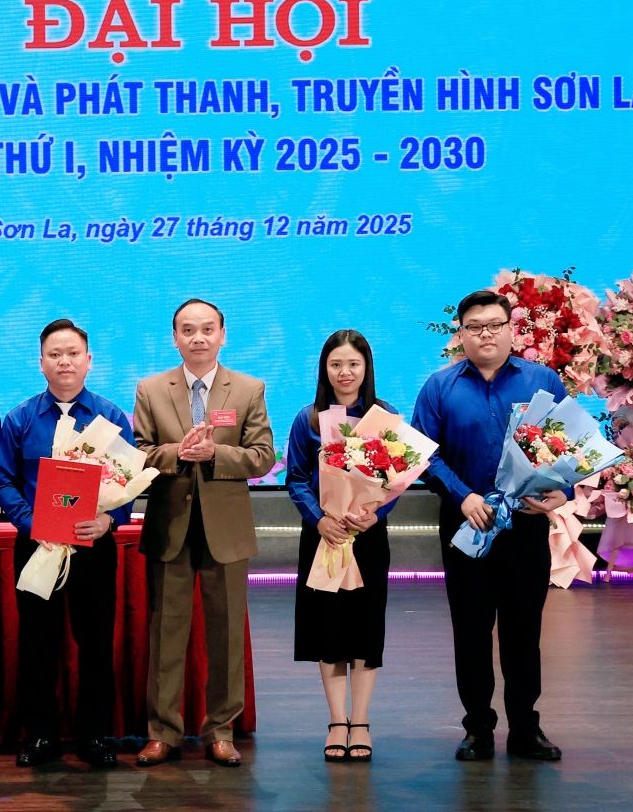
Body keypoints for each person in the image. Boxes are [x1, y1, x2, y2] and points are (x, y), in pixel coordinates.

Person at [411, 290, 570, 762]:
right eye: (475, 327)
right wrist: (464, 496)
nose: (486, 334)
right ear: (460, 334)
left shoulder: (542, 381)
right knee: (471, 630)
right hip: (467, 525)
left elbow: (570, 445)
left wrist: (565, 490)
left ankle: (525, 728)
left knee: (524, 631)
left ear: (511, 329)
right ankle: (478, 727)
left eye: (495, 325)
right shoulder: (439, 387)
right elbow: (424, 455)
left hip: (525, 524)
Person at [132, 298, 275, 767]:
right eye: (188, 330)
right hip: (170, 527)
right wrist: (177, 453)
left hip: (225, 530)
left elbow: (263, 456)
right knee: (166, 635)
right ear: (174, 338)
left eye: (207, 329)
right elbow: (138, 452)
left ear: (222, 335)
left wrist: (216, 454)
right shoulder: (151, 389)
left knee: (226, 635)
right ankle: (163, 732)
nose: (198, 338)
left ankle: (221, 730)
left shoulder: (248, 389)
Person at [0, 319, 133, 769]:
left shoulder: (111, 418)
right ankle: (40, 735)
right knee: (38, 643)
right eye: (55, 355)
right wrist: (31, 523)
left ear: (88, 361)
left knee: (96, 644)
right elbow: (4, 481)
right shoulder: (19, 418)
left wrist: (109, 520)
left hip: (93, 547)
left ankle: (94, 736)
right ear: (41, 363)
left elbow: (128, 484)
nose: (64, 362)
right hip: (38, 546)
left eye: (73, 354)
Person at [286, 330, 398, 764]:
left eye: (353, 364)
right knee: (328, 629)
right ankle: (336, 720)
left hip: (367, 537)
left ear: (366, 368)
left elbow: (395, 481)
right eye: (336, 364)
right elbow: (296, 478)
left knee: (365, 629)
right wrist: (320, 518)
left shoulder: (385, 417)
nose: (344, 372)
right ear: (325, 369)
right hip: (324, 537)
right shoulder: (309, 419)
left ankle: (361, 721)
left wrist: (374, 514)